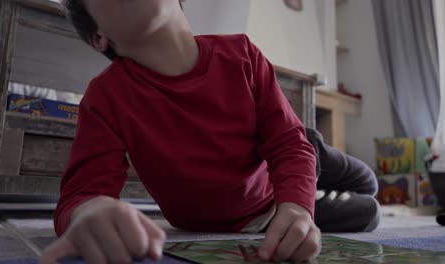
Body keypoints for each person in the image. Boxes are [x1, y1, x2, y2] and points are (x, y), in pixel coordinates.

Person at [40, 1, 379, 263]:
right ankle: (307, 163)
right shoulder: (106, 97)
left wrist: (298, 206)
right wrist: (89, 212)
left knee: (365, 179)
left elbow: (288, 144)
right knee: (369, 210)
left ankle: (314, 149)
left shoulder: (243, 54)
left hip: (287, 152)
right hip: (264, 209)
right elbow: (78, 197)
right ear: (98, 36)